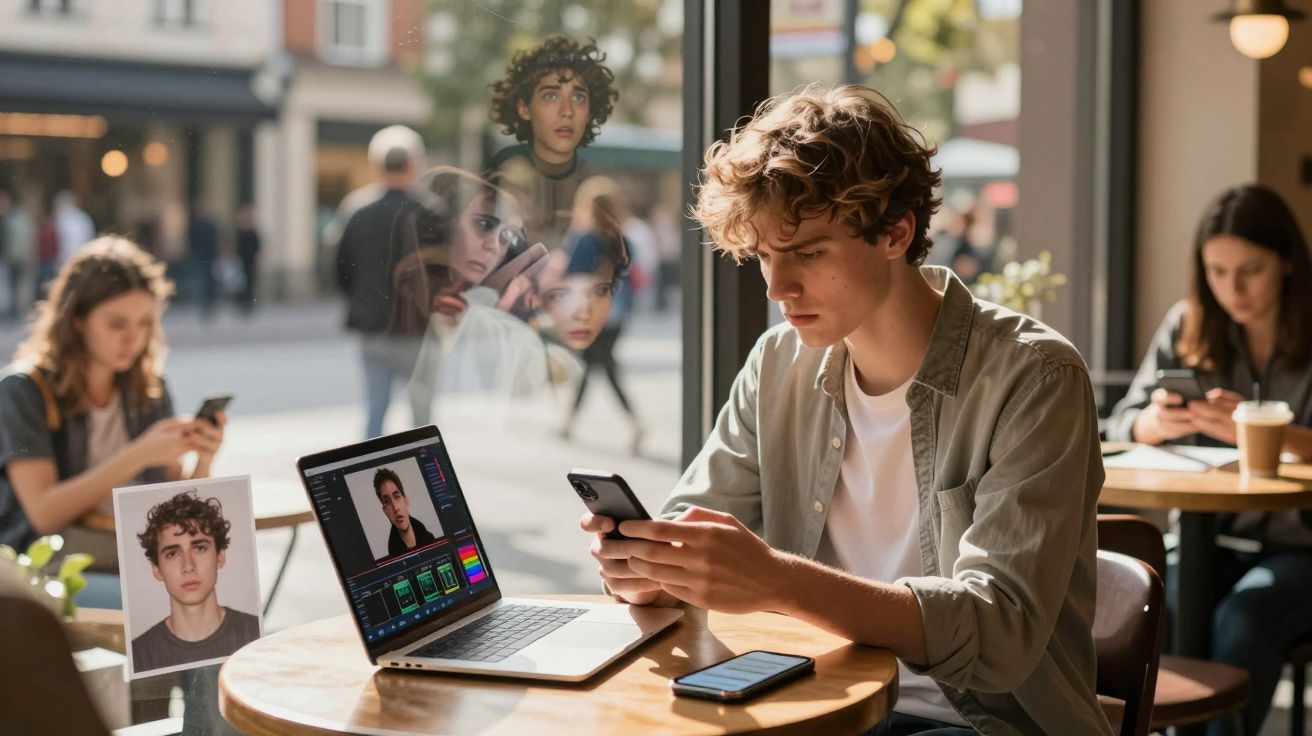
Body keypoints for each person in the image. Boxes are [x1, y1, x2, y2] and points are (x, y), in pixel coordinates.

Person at [580, 85, 1110, 735]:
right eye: (765, 257)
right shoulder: (779, 364)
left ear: (896, 231)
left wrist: (776, 582)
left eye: (806, 253)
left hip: (973, 723)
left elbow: (999, 634)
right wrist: (643, 570)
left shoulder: (1034, 378)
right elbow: (698, 541)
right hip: (808, 703)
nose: (777, 288)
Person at [1106, 183, 1312, 736]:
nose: (1233, 289)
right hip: (1204, 540)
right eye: (1217, 272)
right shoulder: (1188, 324)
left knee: (1244, 619)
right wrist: (1154, 423)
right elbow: (1123, 423)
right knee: (1138, 608)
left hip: (1299, 546)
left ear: (1287, 261)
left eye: (1250, 270)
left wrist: (1275, 430)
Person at [0, 236, 226, 608]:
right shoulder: (23, 390)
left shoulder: (147, 388)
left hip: (136, 557)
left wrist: (203, 458)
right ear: (76, 321)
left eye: (144, 323)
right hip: (51, 566)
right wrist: (137, 454)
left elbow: (175, 507)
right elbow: (42, 513)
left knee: (220, 597)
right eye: (117, 324)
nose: (133, 339)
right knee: (169, 604)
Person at [336, 139, 434, 440]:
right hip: (415, 326)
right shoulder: (428, 213)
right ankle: (429, 477)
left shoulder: (358, 211)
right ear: (412, 167)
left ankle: (367, 476)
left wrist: (361, 301)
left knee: (375, 410)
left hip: (371, 326)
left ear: (378, 167)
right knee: (421, 415)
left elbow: (340, 269)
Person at [488, 36, 618, 248]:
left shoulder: (593, 177)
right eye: (550, 96)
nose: (566, 111)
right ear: (524, 108)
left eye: (578, 98)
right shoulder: (512, 170)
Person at [552, 178, 642, 453]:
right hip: (617, 315)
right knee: (597, 365)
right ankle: (573, 422)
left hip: (591, 314)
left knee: (595, 366)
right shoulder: (624, 239)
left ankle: (631, 423)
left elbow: (572, 272)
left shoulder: (585, 239)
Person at [131, 490, 260, 672]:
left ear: (220, 557)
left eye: (199, 548)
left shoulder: (257, 634)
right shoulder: (139, 655)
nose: (188, 566)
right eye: (172, 553)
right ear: (157, 569)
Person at [374, 467, 435, 557]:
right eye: (387, 501)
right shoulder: (393, 555)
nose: (395, 507)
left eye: (397, 496)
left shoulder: (428, 537)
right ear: (385, 511)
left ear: (405, 500)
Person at [186, 201, 220, 322]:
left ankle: (207, 305)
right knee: (203, 281)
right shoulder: (199, 225)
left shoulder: (206, 225)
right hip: (203, 256)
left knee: (207, 281)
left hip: (206, 256)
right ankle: (205, 305)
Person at [52, 190, 94, 266]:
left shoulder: (81, 218)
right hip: (63, 259)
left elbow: (87, 237)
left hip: (76, 256)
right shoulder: (57, 217)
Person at [234, 204, 261, 317]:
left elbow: (258, 246)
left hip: (250, 261)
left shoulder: (252, 232)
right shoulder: (239, 232)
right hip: (240, 262)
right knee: (240, 284)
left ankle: (248, 305)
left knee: (250, 283)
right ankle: (241, 304)